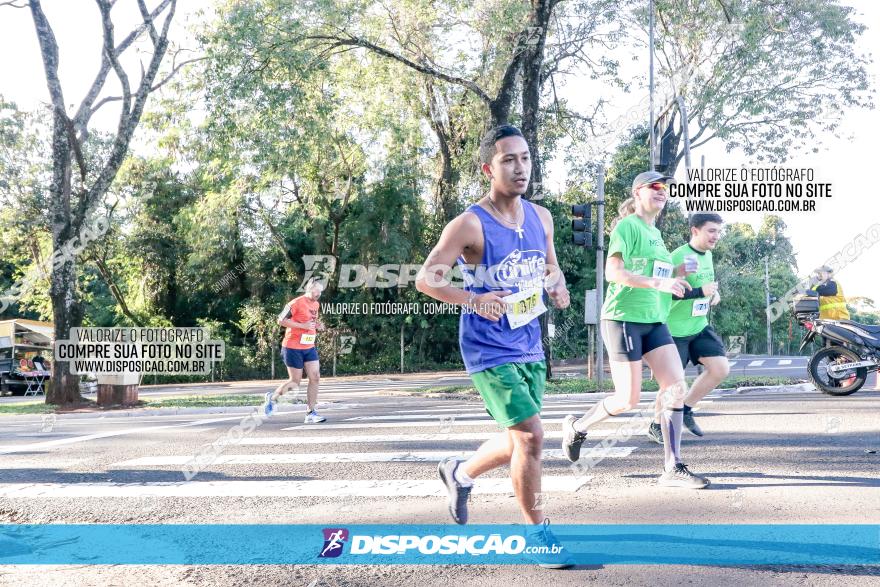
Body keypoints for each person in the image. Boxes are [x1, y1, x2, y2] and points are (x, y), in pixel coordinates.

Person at [416, 124, 572, 568]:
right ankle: (536, 534)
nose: (520, 167)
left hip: (528, 341)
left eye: (525, 158)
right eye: (509, 159)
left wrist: (557, 287)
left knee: (518, 441)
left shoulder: (542, 217)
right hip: (487, 347)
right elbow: (427, 278)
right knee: (532, 437)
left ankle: (459, 473)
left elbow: (551, 268)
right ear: (489, 168)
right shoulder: (469, 223)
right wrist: (472, 298)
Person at [561, 171, 710, 489]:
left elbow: (653, 269)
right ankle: (578, 426)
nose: (663, 191)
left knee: (675, 387)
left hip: (654, 320)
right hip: (623, 319)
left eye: (666, 188)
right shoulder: (627, 226)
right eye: (656, 186)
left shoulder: (655, 234)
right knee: (627, 399)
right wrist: (660, 281)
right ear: (638, 192)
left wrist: (676, 272)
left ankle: (672, 468)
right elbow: (614, 271)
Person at [646, 213, 730, 444]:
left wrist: (713, 293)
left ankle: (685, 409)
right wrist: (699, 292)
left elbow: (705, 285)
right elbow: (662, 294)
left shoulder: (708, 256)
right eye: (711, 231)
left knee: (720, 369)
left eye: (718, 231)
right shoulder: (679, 257)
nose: (716, 236)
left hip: (699, 326)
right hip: (674, 331)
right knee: (671, 384)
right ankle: (655, 424)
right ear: (695, 230)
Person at [264, 279, 326, 422]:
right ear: (309, 289)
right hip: (292, 346)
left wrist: (318, 325)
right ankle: (272, 398)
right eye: (317, 290)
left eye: (321, 291)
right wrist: (302, 326)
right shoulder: (295, 303)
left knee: (315, 377)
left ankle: (311, 413)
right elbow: (280, 320)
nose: (319, 294)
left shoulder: (316, 304)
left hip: (309, 346)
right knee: (295, 382)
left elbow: (310, 321)